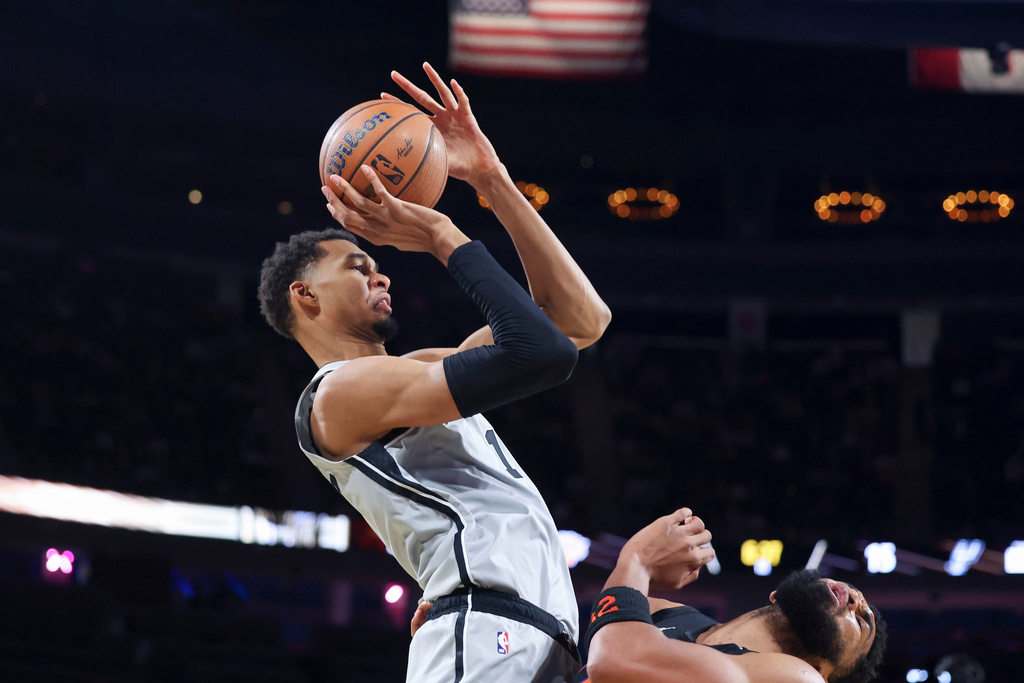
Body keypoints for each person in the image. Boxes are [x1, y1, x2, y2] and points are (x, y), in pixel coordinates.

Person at [257, 62, 611, 683]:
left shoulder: (414, 375)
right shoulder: (338, 396)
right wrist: (444, 235)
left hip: (533, 636)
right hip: (484, 632)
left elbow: (578, 322)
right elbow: (544, 354)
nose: (381, 273)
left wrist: (492, 180)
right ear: (304, 296)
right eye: (357, 266)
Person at [575, 509, 887, 683]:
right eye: (860, 600)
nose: (856, 599)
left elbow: (614, 662)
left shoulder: (800, 680)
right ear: (777, 595)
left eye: (862, 622)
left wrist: (638, 562)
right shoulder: (666, 612)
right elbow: (613, 633)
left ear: (825, 671)